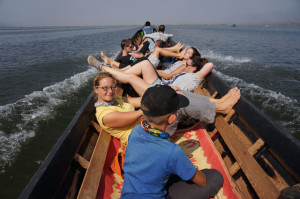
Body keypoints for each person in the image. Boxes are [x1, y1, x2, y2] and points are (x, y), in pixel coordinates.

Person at [121, 85, 224, 198]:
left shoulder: (136, 131)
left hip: (129, 194)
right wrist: (186, 166)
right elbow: (202, 181)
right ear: (171, 119)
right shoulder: (172, 152)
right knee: (214, 176)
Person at [92, 71, 240, 143]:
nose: (110, 91)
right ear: (96, 89)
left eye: (112, 87)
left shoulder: (116, 99)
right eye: (105, 88)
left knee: (177, 93)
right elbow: (141, 113)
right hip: (148, 139)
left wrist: (165, 92)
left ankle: (217, 104)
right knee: (176, 102)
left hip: (150, 127)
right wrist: (164, 97)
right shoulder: (105, 115)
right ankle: (220, 108)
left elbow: (141, 100)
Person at [88, 55, 212, 93]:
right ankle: (116, 72)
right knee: (145, 63)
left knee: (132, 77)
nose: (184, 65)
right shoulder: (186, 73)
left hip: (161, 93)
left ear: (194, 68)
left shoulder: (195, 77)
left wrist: (200, 62)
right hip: (160, 85)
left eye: (187, 64)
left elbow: (209, 65)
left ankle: (103, 67)